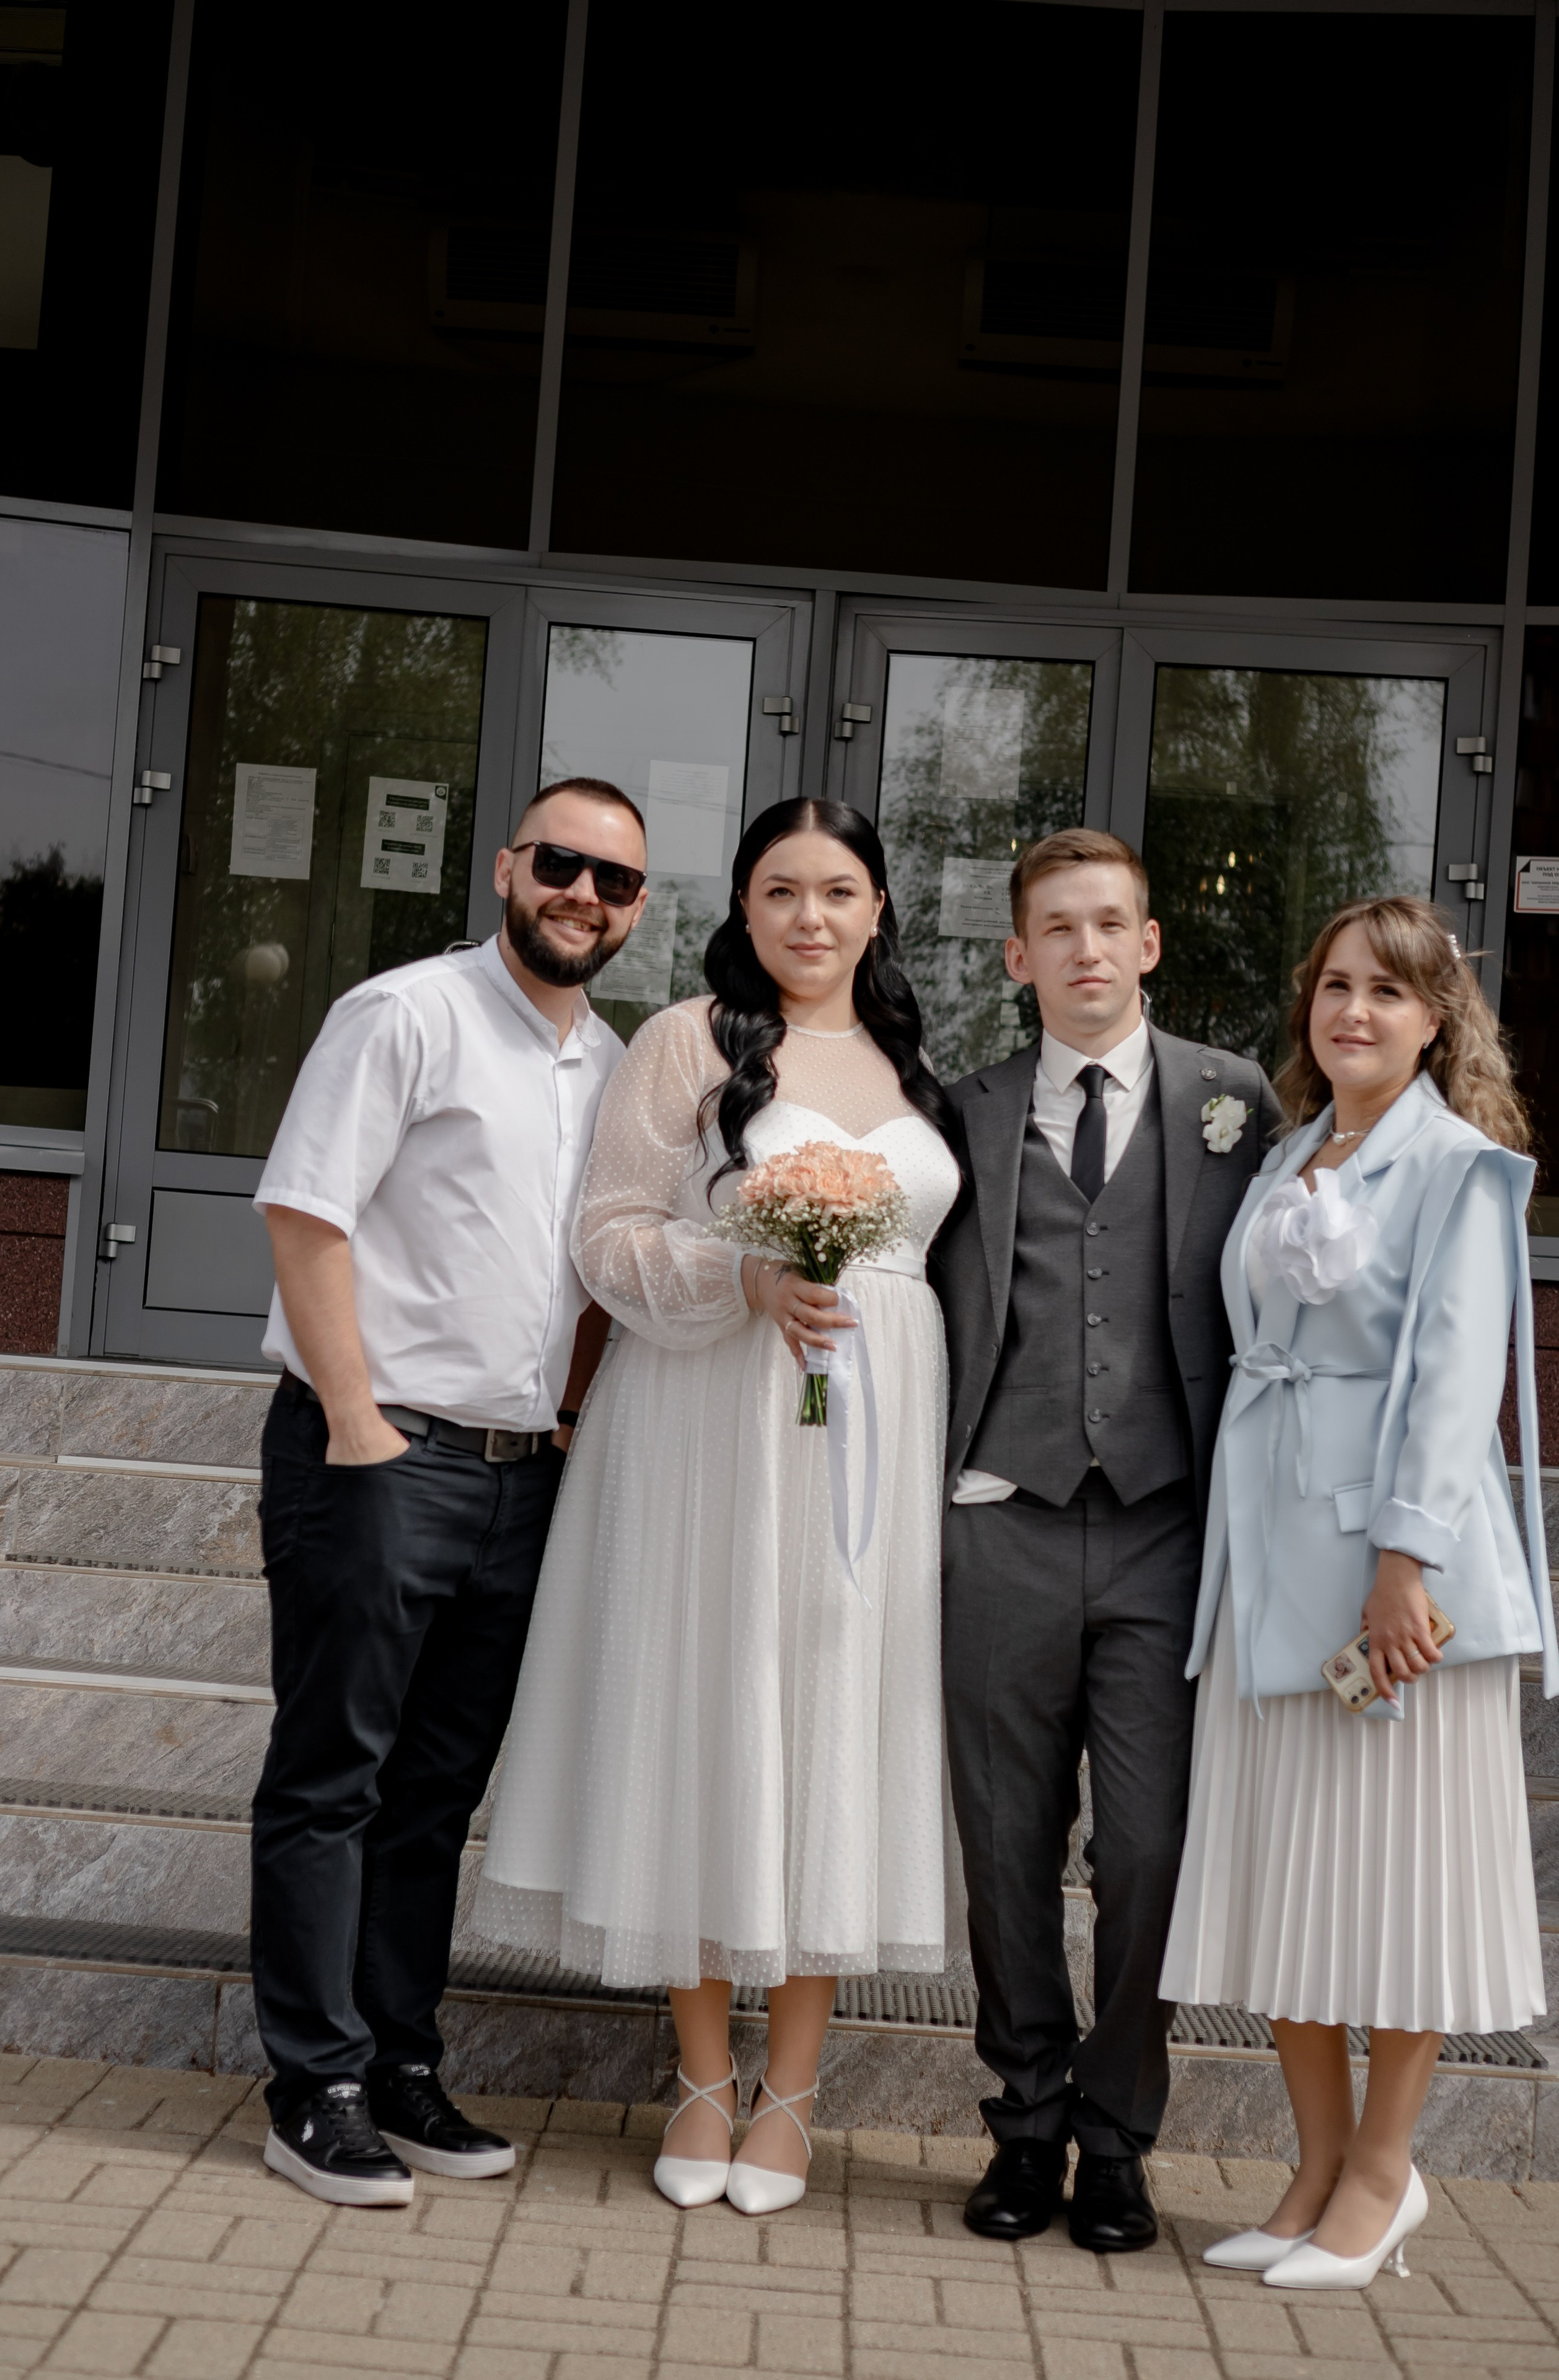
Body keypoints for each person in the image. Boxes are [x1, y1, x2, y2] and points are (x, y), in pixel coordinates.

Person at [476, 798, 960, 2215]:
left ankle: (792, 2094)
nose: (808, 918)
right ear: (740, 909)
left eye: (837, 890)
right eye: (777, 891)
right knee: (703, 1710)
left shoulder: (922, 1064)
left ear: (879, 908)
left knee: (830, 1722)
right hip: (707, 1418)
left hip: (874, 1429)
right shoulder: (687, 1040)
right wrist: (741, 1275)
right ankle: (698, 2076)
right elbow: (607, 1230)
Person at [250, 776, 649, 2207]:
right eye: (560, 864)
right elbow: (306, 1212)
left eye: (611, 882)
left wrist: (568, 1424)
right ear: (504, 868)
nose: (580, 897)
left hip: (516, 1475)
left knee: (432, 1796)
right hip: (380, 1451)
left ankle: (399, 2064)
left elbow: (596, 1273)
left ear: (637, 910)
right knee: (333, 1780)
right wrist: (356, 1420)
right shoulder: (404, 1014)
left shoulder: (611, 1065)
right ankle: (316, 2086)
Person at [1162, 896, 1558, 2290]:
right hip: (1264, 1566)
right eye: (1332, 988)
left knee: (1394, 1887)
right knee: (1287, 1884)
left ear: (1433, 1020)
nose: (1352, 1014)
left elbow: (1457, 1386)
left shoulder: (1458, 1170)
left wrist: (1402, 1564)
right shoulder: (1282, 1156)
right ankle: (1313, 2170)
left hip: (1391, 1581)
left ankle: (1384, 2177)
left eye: (1385, 994)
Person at [930, 827, 1280, 2250]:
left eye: (1109, 925)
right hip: (1000, 1525)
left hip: (1166, 1532)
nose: (1084, 948)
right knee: (1006, 1846)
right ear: (1019, 959)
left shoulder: (1237, 1103)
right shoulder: (960, 1110)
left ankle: (1116, 2133)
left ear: (1147, 945)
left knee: (1145, 1850)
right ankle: (1022, 2127)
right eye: (1055, 928)